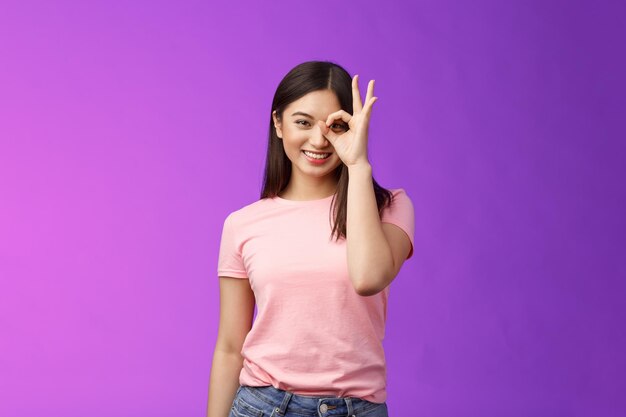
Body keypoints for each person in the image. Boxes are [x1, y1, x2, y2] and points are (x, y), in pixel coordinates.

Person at [207, 60, 415, 417]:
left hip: (356, 409)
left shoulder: (390, 206)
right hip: (262, 406)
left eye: (335, 125)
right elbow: (229, 346)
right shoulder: (243, 224)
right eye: (302, 122)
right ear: (278, 123)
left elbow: (368, 278)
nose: (319, 140)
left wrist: (358, 165)